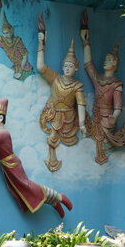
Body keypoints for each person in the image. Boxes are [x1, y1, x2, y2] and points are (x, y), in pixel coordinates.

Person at [37, 33, 88, 172]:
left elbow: (81, 104)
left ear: (76, 68)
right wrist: (41, 44)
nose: (67, 68)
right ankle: (51, 159)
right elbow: (41, 67)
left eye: (70, 66)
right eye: (65, 65)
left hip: (69, 119)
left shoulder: (77, 85)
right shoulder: (55, 78)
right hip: (54, 117)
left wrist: (82, 124)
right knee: (51, 140)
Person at [80, 27, 125, 164]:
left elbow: (118, 106)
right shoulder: (98, 79)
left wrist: (115, 116)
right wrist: (85, 41)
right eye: (105, 59)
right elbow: (89, 65)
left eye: (108, 59)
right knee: (95, 145)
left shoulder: (116, 84)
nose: (105, 61)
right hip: (96, 117)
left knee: (107, 149)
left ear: (115, 63)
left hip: (108, 120)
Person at [0, 6, 33, 80]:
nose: (5, 35)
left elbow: (25, 56)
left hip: (25, 68)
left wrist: (20, 72)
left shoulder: (17, 41)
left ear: (11, 32)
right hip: (15, 68)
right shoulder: (4, 43)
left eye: (7, 32)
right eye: (4, 33)